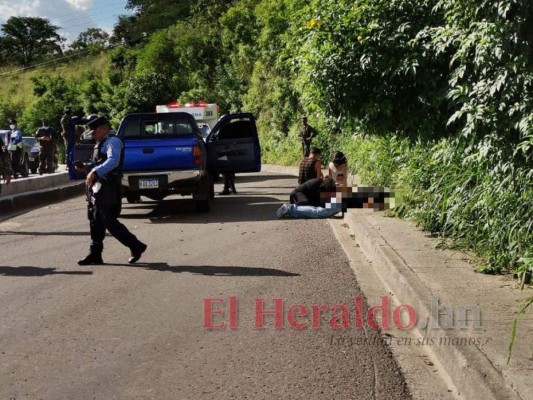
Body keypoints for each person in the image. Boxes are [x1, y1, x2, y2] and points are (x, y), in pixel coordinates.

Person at [75, 115, 147, 265]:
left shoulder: (113, 142)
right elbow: (99, 162)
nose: (93, 135)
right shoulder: (101, 142)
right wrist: (86, 167)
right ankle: (95, 254)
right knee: (95, 221)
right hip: (98, 188)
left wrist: (95, 172)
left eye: (94, 132)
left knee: (109, 221)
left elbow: (112, 161)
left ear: (103, 129)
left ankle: (136, 246)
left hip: (108, 188)